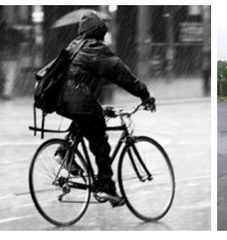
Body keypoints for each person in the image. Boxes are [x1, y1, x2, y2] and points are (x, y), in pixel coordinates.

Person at [47, 11, 156, 207]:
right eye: (103, 34)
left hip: (62, 98)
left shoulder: (74, 46)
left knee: (85, 118)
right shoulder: (96, 49)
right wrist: (144, 94)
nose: (104, 38)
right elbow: (120, 73)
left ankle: (65, 151)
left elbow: (84, 76)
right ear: (98, 32)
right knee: (101, 143)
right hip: (78, 98)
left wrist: (99, 105)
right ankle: (106, 186)